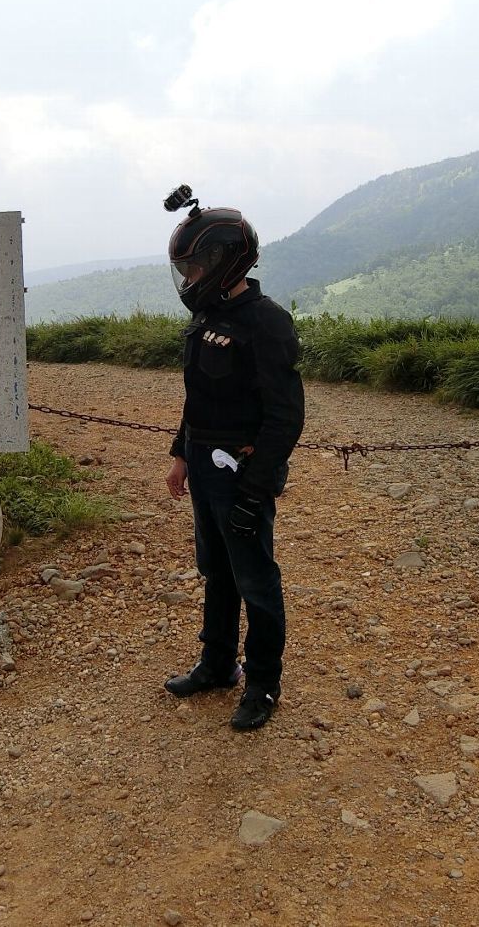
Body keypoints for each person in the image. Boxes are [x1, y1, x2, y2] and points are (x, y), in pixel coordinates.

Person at [159, 187, 304, 731]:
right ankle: (217, 664)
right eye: (186, 268)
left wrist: (258, 486)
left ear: (225, 262)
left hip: (242, 473)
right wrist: (181, 455)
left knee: (256, 579)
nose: (189, 277)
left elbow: (285, 416)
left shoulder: (264, 321)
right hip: (203, 462)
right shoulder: (205, 318)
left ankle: (263, 681)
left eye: (196, 265)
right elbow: (199, 397)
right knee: (216, 570)